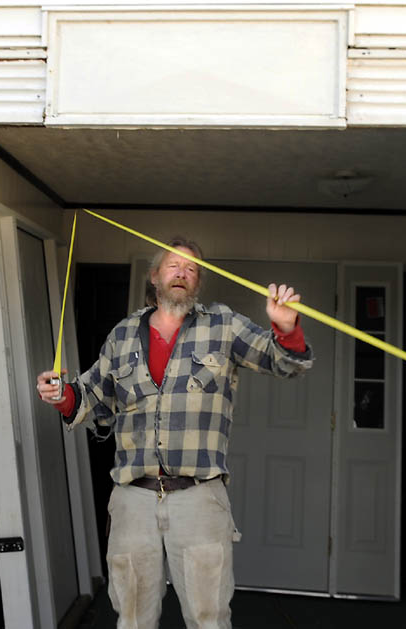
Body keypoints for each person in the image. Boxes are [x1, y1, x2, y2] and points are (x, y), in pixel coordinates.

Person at [37, 237, 313, 629]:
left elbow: (285, 363)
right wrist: (61, 394)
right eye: (173, 265)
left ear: (198, 283)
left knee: (208, 618)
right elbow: (92, 400)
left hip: (199, 498)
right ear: (154, 276)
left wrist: (286, 329)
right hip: (133, 500)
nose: (182, 273)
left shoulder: (224, 325)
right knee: (132, 617)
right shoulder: (122, 335)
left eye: (192, 269)